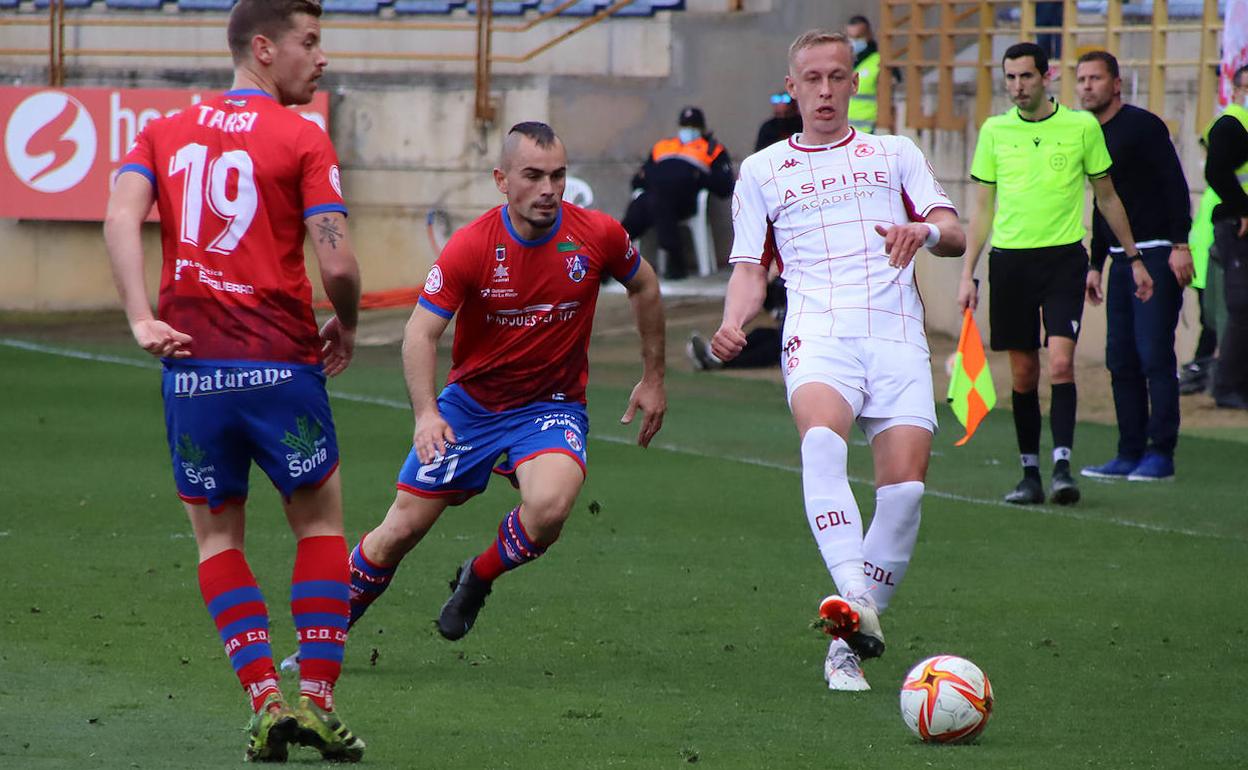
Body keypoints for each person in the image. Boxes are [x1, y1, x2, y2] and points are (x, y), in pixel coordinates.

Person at [102, 0, 365, 762]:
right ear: (263, 47)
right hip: (280, 365)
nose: (320, 58)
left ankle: (263, 701)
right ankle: (316, 700)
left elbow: (121, 218)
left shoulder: (161, 130)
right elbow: (339, 261)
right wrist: (344, 321)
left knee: (218, 540)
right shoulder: (303, 136)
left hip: (191, 369)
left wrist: (139, 317)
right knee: (318, 529)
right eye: (309, 42)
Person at [321, 122, 665, 651]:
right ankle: (323, 641)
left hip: (551, 406)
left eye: (558, 175)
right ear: (502, 180)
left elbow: (644, 283)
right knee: (400, 532)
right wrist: (426, 415)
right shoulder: (472, 247)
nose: (549, 189)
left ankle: (478, 577)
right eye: (533, 176)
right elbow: (419, 332)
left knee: (550, 507)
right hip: (471, 407)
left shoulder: (595, 234)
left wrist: (653, 377)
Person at [711, 29, 966, 692]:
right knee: (822, 444)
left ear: (854, 83)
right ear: (792, 87)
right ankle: (853, 595)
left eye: (836, 77)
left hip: (897, 335)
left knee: (905, 494)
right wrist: (733, 320)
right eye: (812, 79)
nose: (825, 91)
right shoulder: (762, 171)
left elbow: (954, 230)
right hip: (819, 332)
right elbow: (748, 269)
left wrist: (925, 231)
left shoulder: (894, 153)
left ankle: (847, 644)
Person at [958, 41, 1152, 507]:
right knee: (1023, 375)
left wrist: (1134, 257)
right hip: (1009, 263)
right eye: (1010, 78)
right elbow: (982, 207)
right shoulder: (994, 131)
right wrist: (968, 272)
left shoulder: (1081, 126)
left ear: (1047, 77)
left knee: (1061, 364)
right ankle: (1030, 473)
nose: (1017, 86)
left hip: (1064, 259)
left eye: (1026, 76)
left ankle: (1063, 467)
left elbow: (1106, 197)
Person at [1075, 50, 1193, 482]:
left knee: (1152, 354)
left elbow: (1174, 184)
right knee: (1119, 357)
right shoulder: (1085, 132)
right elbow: (1104, 203)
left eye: (1095, 78)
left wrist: (1181, 244)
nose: (1087, 86)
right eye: (1081, 79)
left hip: (1158, 251)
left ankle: (1160, 452)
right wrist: (1095, 263)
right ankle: (1128, 450)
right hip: (1121, 260)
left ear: (1117, 84)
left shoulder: (1143, 127)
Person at [621, 106, 734, 279]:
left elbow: (725, 187)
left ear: (702, 128)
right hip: (656, 196)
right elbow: (638, 179)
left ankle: (617, 253)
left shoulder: (712, 149)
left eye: (693, 126)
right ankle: (622, 249)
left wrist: (698, 177)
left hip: (685, 200)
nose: (688, 129)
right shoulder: (662, 146)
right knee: (647, 201)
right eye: (685, 125)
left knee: (654, 201)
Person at [1204, 64, 1248, 409]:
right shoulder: (1232, 124)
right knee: (1240, 305)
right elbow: (1216, 171)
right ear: (1235, 92)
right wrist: (1243, 209)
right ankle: (1227, 385)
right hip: (1237, 227)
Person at [845, 15, 881, 134]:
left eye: (858, 37)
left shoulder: (878, 62)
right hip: (845, 134)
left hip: (870, 132)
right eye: (850, 37)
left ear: (869, 35)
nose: (853, 42)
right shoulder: (843, 62)